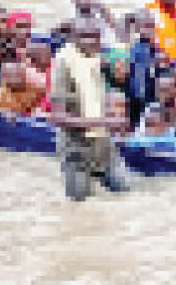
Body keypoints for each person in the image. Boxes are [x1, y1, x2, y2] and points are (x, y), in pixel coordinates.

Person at [50, 17, 132, 201]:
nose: (91, 41)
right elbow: (58, 117)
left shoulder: (95, 56)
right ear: (72, 37)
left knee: (128, 194)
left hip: (104, 144)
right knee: (79, 204)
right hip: (76, 148)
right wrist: (106, 122)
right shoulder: (63, 65)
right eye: (84, 36)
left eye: (95, 36)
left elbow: (123, 46)